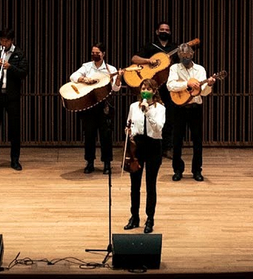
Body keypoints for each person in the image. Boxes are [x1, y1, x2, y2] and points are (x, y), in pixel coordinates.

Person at [69, 43, 124, 174]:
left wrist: (119, 77)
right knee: (89, 135)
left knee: (106, 136)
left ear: (103, 54)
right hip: (89, 105)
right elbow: (73, 77)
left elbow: (116, 88)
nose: (94, 54)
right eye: (93, 52)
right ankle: (90, 162)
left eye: (97, 52)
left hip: (104, 106)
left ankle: (107, 163)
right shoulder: (87, 66)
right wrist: (84, 79)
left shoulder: (110, 69)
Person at [167, 44, 215, 182]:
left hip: (195, 108)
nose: (185, 59)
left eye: (187, 56)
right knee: (177, 141)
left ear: (192, 55)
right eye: (182, 56)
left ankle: (197, 170)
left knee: (197, 141)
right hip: (179, 108)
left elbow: (204, 92)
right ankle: (177, 170)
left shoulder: (200, 69)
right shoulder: (174, 68)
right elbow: (170, 85)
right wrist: (187, 84)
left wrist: (209, 84)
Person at [124, 79, 166, 234]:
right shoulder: (133, 107)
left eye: (148, 88)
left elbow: (158, 128)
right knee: (135, 185)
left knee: (150, 185)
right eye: (143, 88)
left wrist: (148, 111)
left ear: (154, 91)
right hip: (138, 146)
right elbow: (130, 123)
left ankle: (150, 219)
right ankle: (134, 217)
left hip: (154, 145)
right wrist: (128, 131)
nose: (145, 91)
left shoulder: (160, 108)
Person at [132, 21, 178, 159]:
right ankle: (148, 145)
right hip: (151, 87)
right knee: (148, 113)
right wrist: (148, 61)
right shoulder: (150, 46)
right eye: (162, 29)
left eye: (167, 30)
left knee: (169, 116)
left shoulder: (174, 47)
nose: (164, 31)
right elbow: (134, 58)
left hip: (168, 86)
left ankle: (167, 147)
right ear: (157, 32)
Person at [0, 28, 29, 171]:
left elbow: (24, 73)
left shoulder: (18, 53)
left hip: (12, 97)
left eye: (7, 40)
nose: (4, 43)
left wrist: (10, 67)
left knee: (14, 129)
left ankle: (15, 160)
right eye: (2, 40)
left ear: (12, 41)